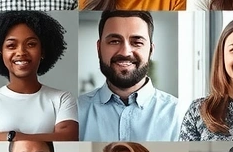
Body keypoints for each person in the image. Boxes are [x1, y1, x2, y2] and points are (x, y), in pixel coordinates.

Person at [0, 10, 78, 142]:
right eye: (11, 45)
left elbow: (68, 138)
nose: (21, 52)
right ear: (0, 52)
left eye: (31, 44)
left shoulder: (62, 99)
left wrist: (8, 136)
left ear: (43, 51)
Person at [78, 10, 184, 142]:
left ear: (151, 50)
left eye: (137, 42)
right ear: (99, 48)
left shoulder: (180, 114)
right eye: (115, 41)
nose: (125, 52)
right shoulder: (74, 112)